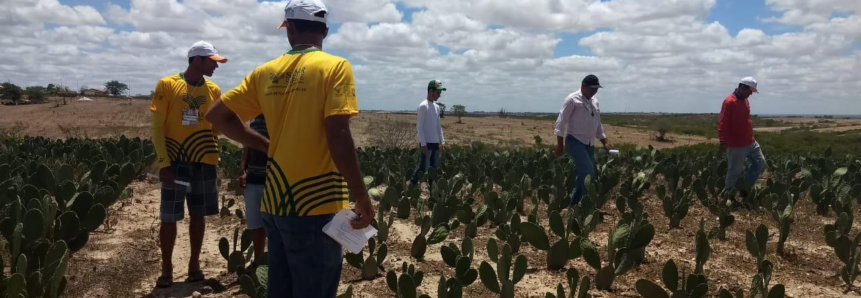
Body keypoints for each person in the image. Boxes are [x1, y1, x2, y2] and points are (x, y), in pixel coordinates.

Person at [204, 0, 374, 297]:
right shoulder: (335, 67)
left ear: (290, 29)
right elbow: (337, 133)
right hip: (316, 205)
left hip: (275, 202)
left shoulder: (265, 72)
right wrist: (361, 196)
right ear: (326, 31)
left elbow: (217, 115)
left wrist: (267, 146)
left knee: (280, 289)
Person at [150, 40, 227, 288]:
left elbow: (219, 126)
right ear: (197, 60)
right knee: (169, 216)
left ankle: (194, 265)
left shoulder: (214, 89)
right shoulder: (168, 85)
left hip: (204, 161)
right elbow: (157, 127)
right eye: (212, 62)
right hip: (176, 161)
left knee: (199, 215)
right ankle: (167, 268)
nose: (216, 67)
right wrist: (164, 163)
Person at [553, 74, 610, 206]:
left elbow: (597, 124)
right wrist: (560, 145)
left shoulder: (595, 102)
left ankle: (574, 205)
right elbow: (560, 123)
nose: (595, 91)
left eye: (597, 89)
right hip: (575, 141)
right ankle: (586, 205)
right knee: (589, 173)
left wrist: (605, 141)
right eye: (592, 88)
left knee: (583, 175)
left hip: (589, 143)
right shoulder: (572, 100)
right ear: (583, 86)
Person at [718, 77, 766, 194]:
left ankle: (745, 190)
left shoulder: (745, 100)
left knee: (760, 163)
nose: (751, 94)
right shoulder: (729, 102)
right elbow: (723, 123)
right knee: (734, 172)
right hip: (736, 145)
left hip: (750, 142)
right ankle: (729, 197)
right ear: (742, 87)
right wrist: (723, 141)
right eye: (750, 91)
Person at [237, 114, 268, 267]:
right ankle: (258, 261)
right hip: (253, 177)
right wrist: (244, 169)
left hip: (275, 179)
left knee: (276, 225)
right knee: (256, 223)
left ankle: (274, 263)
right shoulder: (254, 117)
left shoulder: (282, 111)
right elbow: (248, 144)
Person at [409, 80, 447, 186]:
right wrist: (423, 143)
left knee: (433, 170)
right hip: (426, 143)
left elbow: (438, 126)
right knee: (423, 167)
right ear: (431, 91)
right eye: (437, 92)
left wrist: (442, 141)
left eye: (440, 93)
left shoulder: (437, 107)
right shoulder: (423, 106)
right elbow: (419, 126)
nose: (439, 95)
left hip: (435, 143)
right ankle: (412, 184)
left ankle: (432, 191)